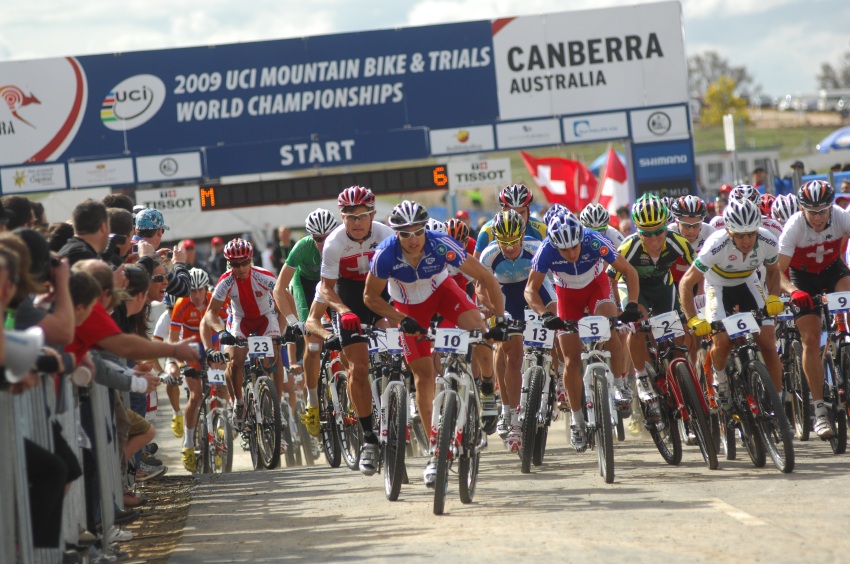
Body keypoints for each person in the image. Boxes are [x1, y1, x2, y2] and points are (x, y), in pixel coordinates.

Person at [364, 200, 508, 485]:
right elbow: (370, 297)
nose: (413, 239)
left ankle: (488, 390)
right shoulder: (385, 254)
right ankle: (434, 450)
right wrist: (399, 318)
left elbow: (484, 276)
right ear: (396, 235)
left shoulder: (441, 243)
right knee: (423, 377)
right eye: (406, 234)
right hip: (408, 309)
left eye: (418, 232)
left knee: (479, 331)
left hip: (444, 294)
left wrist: (500, 320)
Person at [525, 213, 641, 452]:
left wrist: (631, 304)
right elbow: (530, 291)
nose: (571, 253)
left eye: (574, 247)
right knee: (571, 360)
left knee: (609, 326)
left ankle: (619, 384)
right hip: (567, 296)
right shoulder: (546, 250)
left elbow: (629, 271)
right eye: (564, 250)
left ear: (581, 238)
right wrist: (545, 315)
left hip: (596, 286)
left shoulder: (593, 240)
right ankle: (577, 422)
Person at [680, 198, 785, 413]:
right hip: (717, 287)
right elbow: (686, 283)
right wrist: (693, 319)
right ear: (729, 232)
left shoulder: (767, 240)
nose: (746, 241)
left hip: (748, 282)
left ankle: (779, 405)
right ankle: (721, 382)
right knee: (723, 342)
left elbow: (774, 271)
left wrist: (773, 297)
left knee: (767, 342)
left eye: (751, 234)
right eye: (740, 235)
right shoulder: (716, 244)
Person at [319, 186, 394, 475]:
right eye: (350, 217)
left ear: (373, 215)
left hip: (383, 293)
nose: (357, 223)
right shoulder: (334, 243)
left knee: (406, 341)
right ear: (343, 217)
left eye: (362, 216)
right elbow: (326, 289)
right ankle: (368, 438)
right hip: (349, 297)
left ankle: (401, 399)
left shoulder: (386, 235)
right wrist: (344, 312)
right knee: (359, 369)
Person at [609, 195, 695, 427]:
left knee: (683, 334)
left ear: (666, 226)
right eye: (646, 233)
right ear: (637, 231)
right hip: (634, 289)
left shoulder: (678, 242)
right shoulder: (629, 247)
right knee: (638, 326)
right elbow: (610, 279)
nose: (654, 238)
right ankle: (641, 377)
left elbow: (699, 269)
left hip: (663, 287)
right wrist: (620, 309)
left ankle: (684, 381)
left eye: (658, 231)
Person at [478, 209, 557, 451]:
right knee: (511, 354)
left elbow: (556, 282)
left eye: (514, 242)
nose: (509, 248)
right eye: (504, 242)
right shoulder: (489, 254)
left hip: (536, 290)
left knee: (556, 321)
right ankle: (512, 420)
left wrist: (553, 311)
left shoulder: (537, 248)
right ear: (497, 239)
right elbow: (481, 289)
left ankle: (561, 375)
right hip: (506, 298)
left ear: (523, 235)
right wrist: (491, 309)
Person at [776, 180, 850, 438]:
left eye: (823, 211)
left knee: (848, 288)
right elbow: (778, 273)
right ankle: (819, 411)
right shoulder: (793, 228)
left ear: (831, 207)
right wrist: (793, 292)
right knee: (809, 338)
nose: (818, 217)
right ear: (802, 209)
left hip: (832, 271)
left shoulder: (841, 217)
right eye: (812, 211)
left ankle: (845, 341)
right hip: (802, 278)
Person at [201, 238, 291, 438]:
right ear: (228, 264)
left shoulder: (264, 276)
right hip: (241, 319)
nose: (240, 268)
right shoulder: (226, 281)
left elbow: (283, 297)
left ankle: (277, 405)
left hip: (265, 317)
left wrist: (290, 324)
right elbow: (210, 313)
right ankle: (239, 404)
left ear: (251, 260)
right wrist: (222, 331)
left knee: (276, 353)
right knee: (236, 359)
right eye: (234, 264)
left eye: (244, 263)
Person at [273, 208, 339, 436]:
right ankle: (312, 403)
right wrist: (292, 322)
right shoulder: (302, 248)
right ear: (310, 237)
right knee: (312, 342)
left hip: (332, 285)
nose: (323, 243)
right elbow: (279, 288)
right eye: (318, 239)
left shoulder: (343, 242)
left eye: (327, 238)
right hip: (306, 286)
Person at [169, 268, 222, 472]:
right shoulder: (181, 305)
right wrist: (182, 365)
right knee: (196, 396)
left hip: (211, 344)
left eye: (200, 290)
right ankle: (188, 443)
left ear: (206, 289)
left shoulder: (215, 300)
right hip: (190, 348)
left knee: (221, 384)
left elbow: (229, 325)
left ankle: (220, 429)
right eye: (192, 291)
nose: (197, 295)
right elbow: (173, 341)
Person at [474, 183, 546, 258]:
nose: (518, 218)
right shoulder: (487, 231)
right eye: (513, 212)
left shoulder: (541, 230)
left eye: (522, 212)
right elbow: (475, 266)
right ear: (503, 210)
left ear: (529, 210)